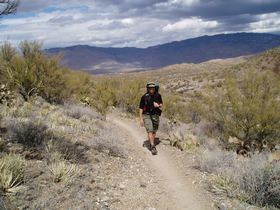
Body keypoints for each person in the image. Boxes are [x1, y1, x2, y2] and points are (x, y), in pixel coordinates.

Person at [139, 82, 163, 155]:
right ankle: (153, 146)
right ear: (148, 88)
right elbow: (141, 108)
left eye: (153, 88)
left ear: (154, 88)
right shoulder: (144, 97)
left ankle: (151, 142)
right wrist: (141, 118)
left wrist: (158, 105)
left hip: (155, 115)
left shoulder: (158, 95)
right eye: (150, 88)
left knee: (154, 131)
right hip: (146, 115)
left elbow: (161, 104)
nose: (151, 89)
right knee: (150, 130)